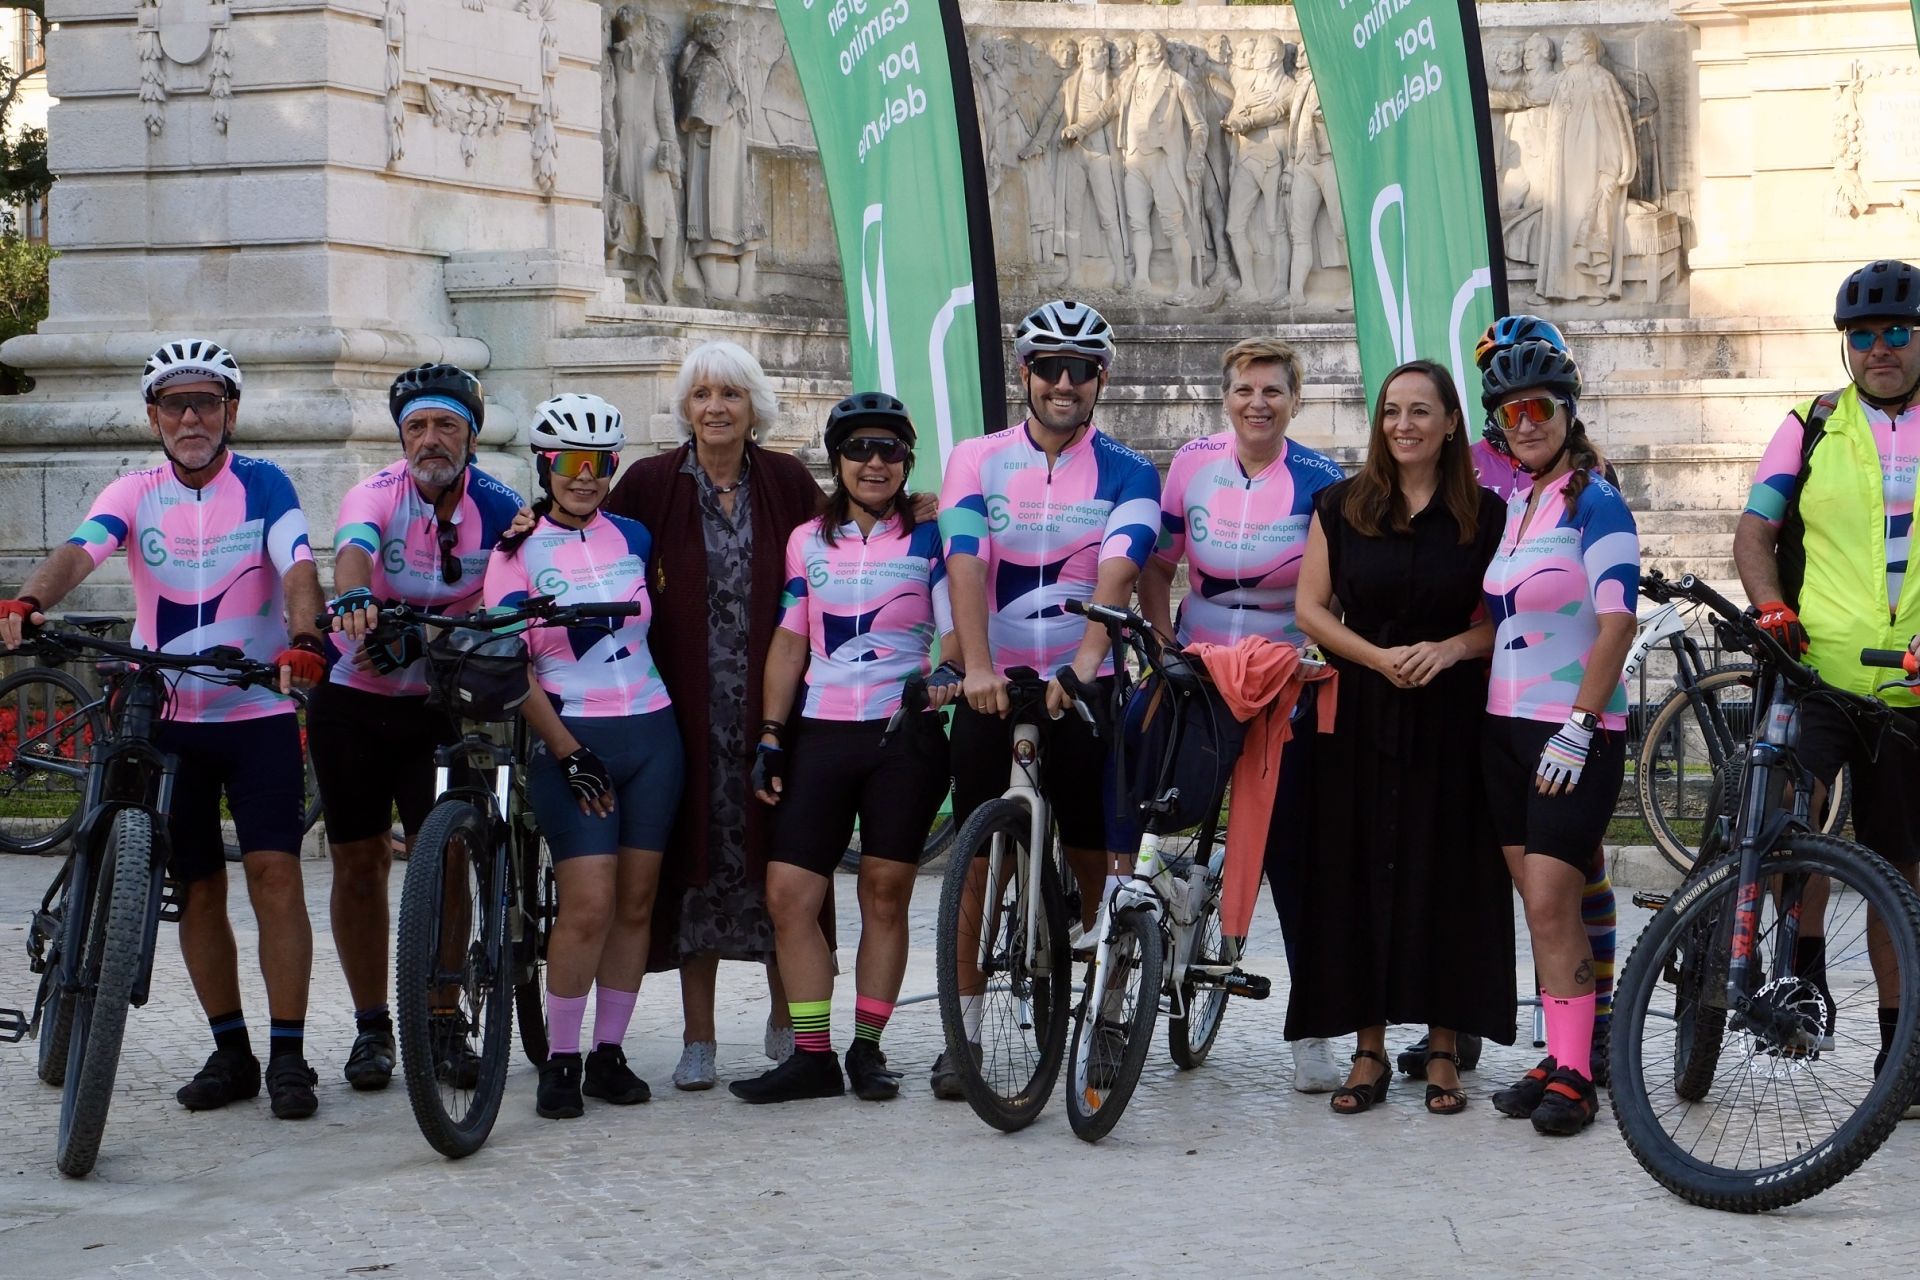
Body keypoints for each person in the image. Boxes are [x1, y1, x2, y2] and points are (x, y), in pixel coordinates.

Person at [0, 341, 327, 1119]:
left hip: (253, 711)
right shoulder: (135, 491)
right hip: (171, 718)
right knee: (197, 887)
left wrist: (306, 639)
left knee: (275, 876)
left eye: (206, 403)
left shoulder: (264, 484)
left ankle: (288, 1056)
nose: (190, 417)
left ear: (230, 413)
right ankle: (231, 1050)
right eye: (174, 404)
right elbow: (82, 552)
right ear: (153, 416)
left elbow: (299, 566)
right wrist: (26, 600)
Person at [934, 299, 1160, 1096]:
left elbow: (1120, 565)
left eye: (1082, 370)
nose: (1065, 384)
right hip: (994, 679)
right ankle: (961, 1034)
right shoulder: (976, 457)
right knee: (977, 863)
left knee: (1098, 856)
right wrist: (976, 666)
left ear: (1100, 379)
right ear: (1024, 373)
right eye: (1049, 368)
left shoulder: (1130, 469)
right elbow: (965, 558)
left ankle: (1104, 1015)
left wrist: (1090, 663)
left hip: (1078, 678)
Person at [1285, 360, 1515, 1116]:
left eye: (1422, 411)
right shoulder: (1341, 505)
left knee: (1448, 871)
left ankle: (1444, 1047)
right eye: (1392, 412)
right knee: (1360, 871)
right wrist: (1377, 658)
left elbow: (1510, 620)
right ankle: (1369, 1048)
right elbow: (1311, 611)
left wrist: (1449, 649)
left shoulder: (1487, 513)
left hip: (1452, 712)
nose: (1404, 425)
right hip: (1359, 707)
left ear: (1452, 422)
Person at [732, 393, 957, 1105]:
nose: (874, 461)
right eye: (859, 448)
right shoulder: (808, 540)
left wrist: (944, 674)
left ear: (907, 462)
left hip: (903, 733)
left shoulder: (933, 534)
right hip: (821, 730)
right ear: (837, 459)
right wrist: (770, 734)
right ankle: (810, 1055)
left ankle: (867, 1049)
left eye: (890, 449)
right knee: (789, 893)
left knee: (884, 894)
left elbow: (954, 629)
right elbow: (791, 637)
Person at [309, 363, 525, 1092]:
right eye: (417, 427)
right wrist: (354, 599)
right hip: (356, 699)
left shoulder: (499, 503)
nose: (431, 440)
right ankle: (373, 1028)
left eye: (447, 426)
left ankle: (441, 1018)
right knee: (360, 866)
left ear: (470, 434)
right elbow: (352, 551)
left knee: (452, 858)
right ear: (402, 435)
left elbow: (519, 588)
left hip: (442, 700)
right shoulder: (376, 492)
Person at [1139, 336, 1346, 1093]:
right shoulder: (1192, 463)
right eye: (1243, 391)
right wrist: (1161, 643)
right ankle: (1147, 958)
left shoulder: (1322, 479)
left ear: (1296, 400)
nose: (1257, 404)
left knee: (1295, 865)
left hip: (1283, 683)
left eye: (1273, 392)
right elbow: (1159, 564)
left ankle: (1312, 1036)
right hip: (1196, 674)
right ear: (1224, 397)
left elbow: (1336, 589)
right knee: (1157, 834)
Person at [1735, 259, 1920, 1092]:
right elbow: (1754, 532)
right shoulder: (1810, 425)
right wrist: (1771, 607)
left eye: (1898, 333)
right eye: (1864, 336)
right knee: (1786, 820)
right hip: (1818, 674)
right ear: (1845, 346)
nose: (1880, 348)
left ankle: (1900, 1044)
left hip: (1911, 692)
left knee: (1896, 871)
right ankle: (1802, 969)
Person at [483, 393, 682, 1119]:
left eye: (597, 463)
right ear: (543, 466)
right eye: (568, 462)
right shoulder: (513, 551)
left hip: (654, 734)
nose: (583, 476)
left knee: (635, 903)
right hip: (572, 735)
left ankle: (608, 1054)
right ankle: (559, 1061)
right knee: (589, 905)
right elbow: (510, 667)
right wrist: (566, 752)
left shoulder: (633, 534)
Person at [1478, 338, 1640, 1136]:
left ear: (1567, 413)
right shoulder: (1519, 504)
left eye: (1540, 407)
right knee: (1540, 909)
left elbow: (1618, 620)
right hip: (1502, 729)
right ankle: (1564, 1051)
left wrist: (1580, 723)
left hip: (1571, 731)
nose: (1527, 422)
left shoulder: (1595, 500)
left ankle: (1578, 1073)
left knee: (1552, 902)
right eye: (1512, 413)